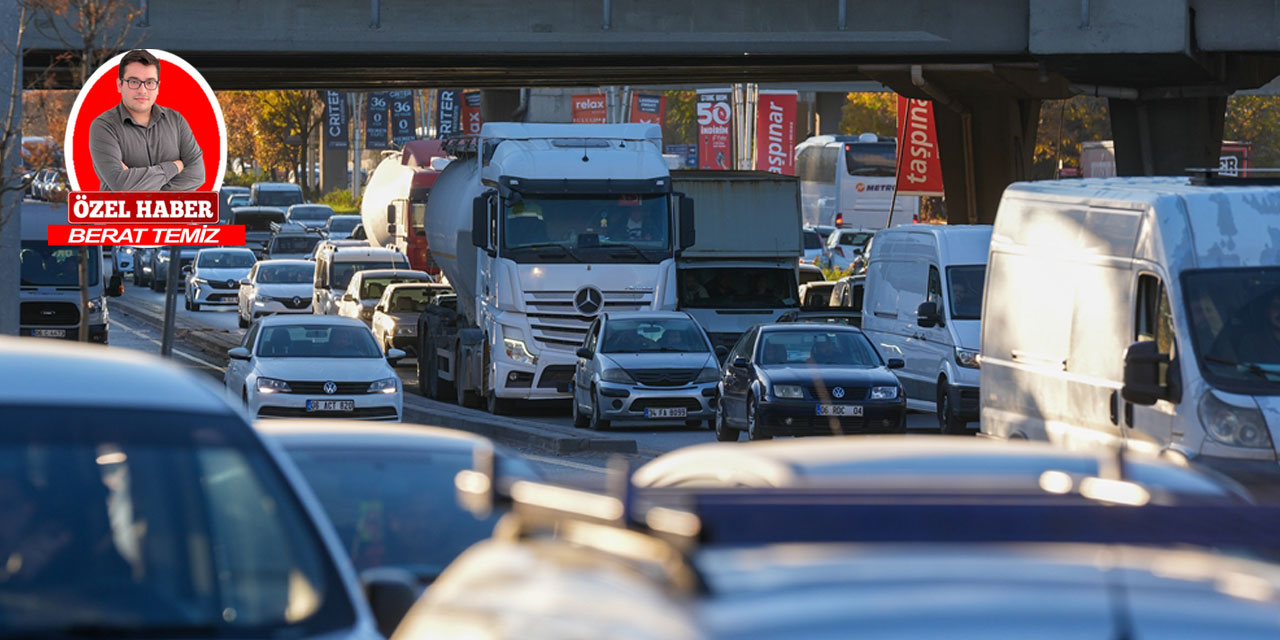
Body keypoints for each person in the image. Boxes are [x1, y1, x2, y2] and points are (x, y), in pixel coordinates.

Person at [88, 49, 205, 192]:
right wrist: (174, 167)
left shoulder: (176, 120)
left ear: (158, 87)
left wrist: (140, 186)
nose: (142, 90)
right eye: (133, 82)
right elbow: (121, 185)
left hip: (170, 214)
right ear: (120, 85)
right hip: (122, 215)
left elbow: (198, 174)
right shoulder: (103, 126)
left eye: (149, 82)